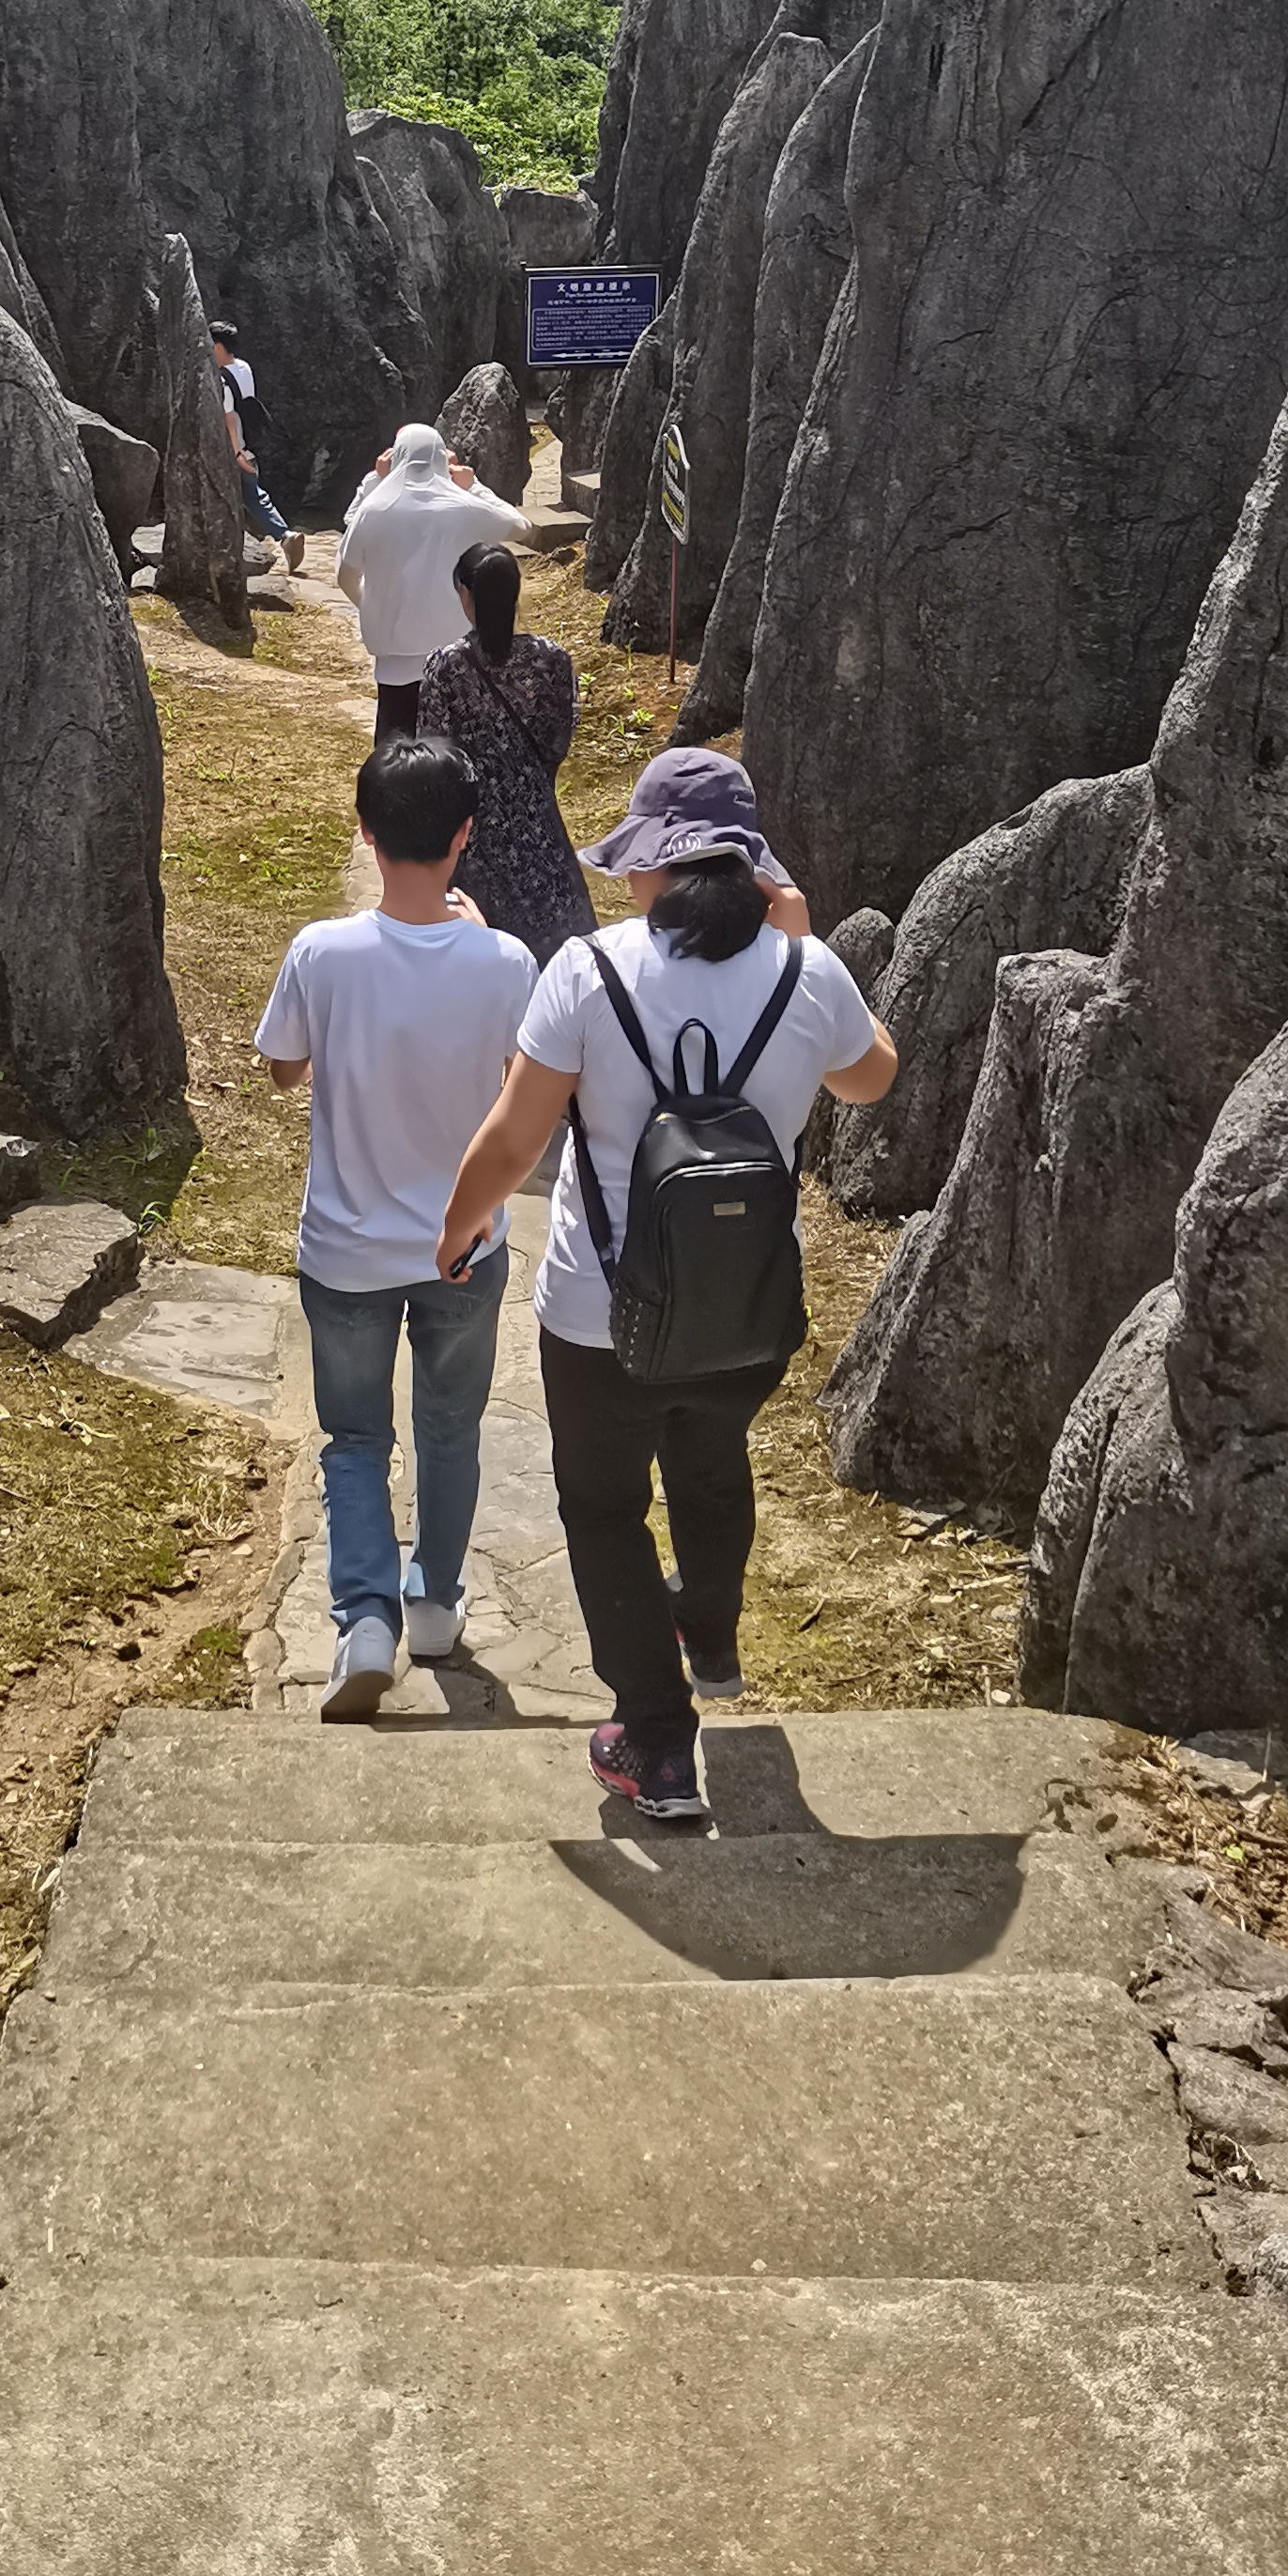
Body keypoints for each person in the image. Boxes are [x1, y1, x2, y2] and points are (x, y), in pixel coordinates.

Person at [434, 747, 897, 1822]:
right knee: (712, 1453)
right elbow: (874, 1076)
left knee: (602, 1510)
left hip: (599, 1315)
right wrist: (807, 938)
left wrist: (458, 1226)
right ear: (747, 869)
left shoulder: (587, 972)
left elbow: (514, 1138)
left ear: (651, 866)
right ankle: (713, 1628)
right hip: (746, 1310)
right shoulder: (805, 972)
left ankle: (657, 1743)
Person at [257, 733, 539, 1720]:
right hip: (465, 1245)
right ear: (464, 836)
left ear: (365, 831)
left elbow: (284, 1069)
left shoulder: (319, 954)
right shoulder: (507, 961)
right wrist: (488, 947)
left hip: (344, 1249)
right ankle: (433, 1604)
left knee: (354, 1437)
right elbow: (525, 1089)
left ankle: (364, 1619)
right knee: (450, 1428)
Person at [415, 543, 596, 964]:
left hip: (474, 834)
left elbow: (435, 754)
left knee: (481, 957)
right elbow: (557, 742)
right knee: (559, 958)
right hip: (540, 827)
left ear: (465, 593)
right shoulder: (552, 659)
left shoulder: (446, 666)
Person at [334, 423, 530, 742]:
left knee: (394, 750)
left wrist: (372, 605)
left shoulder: (374, 508)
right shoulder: (464, 507)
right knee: (453, 748)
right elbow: (520, 526)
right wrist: (473, 485)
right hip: (455, 653)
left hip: (394, 658)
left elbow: (346, 570)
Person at [210, 321, 302, 575]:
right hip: (251, 440)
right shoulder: (243, 368)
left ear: (217, 345)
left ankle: (283, 536)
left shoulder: (220, 378)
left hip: (234, 445)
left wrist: (237, 452)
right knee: (253, 492)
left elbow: (229, 417)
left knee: (245, 493)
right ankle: (284, 536)